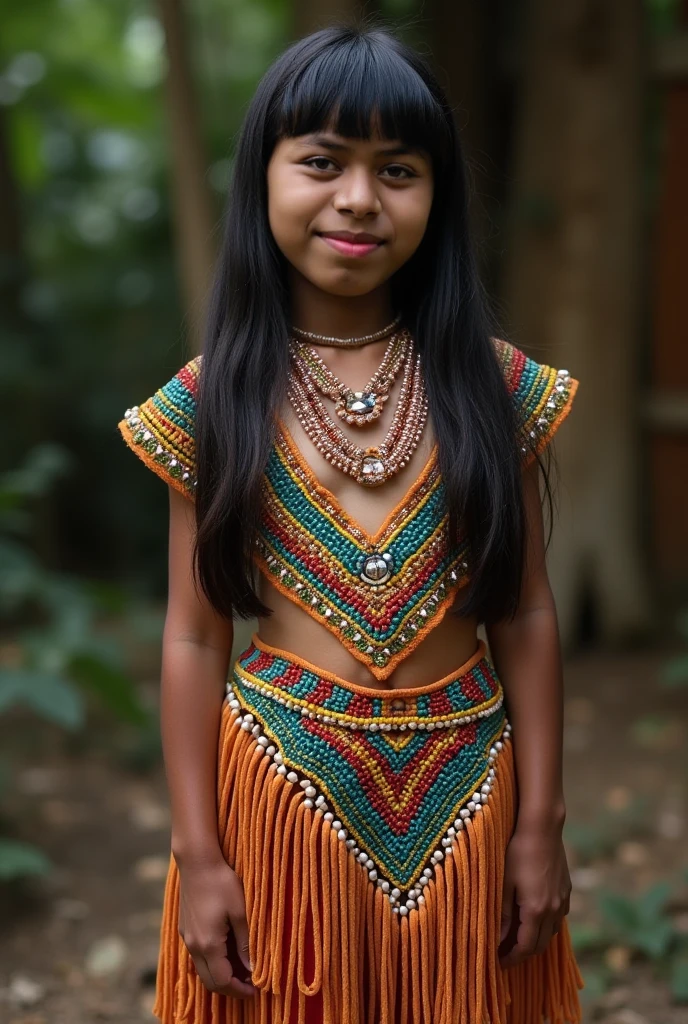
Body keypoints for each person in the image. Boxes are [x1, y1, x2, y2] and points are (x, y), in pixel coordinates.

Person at [119, 23, 585, 1024]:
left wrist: (540, 820)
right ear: (264, 180)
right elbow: (195, 636)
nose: (360, 199)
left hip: (472, 795)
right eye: (323, 162)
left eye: (399, 169)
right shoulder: (211, 402)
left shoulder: (494, 388)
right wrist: (199, 855)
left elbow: (528, 614)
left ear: (438, 196)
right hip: (278, 805)